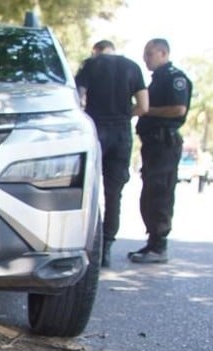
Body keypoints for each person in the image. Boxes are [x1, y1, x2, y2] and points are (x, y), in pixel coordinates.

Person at [74, 40, 148, 268]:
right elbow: (144, 106)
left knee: (86, 189)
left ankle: (84, 243)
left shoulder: (91, 65)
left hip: (96, 129)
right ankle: (106, 247)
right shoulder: (132, 67)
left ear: (96, 51)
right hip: (121, 133)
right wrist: (125, 114)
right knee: (114, 194)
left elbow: (77, 98)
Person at [130, 38, 192, 264]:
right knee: (150, 193)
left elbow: (178, 109)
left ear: (163, 53)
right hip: (153, 144)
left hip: (164, 143)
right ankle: (152, 242)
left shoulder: (175, 78)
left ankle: (159, 245)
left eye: (150, 54)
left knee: (160, 193)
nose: (145, 59)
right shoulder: (158, 79)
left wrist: (146, 111)